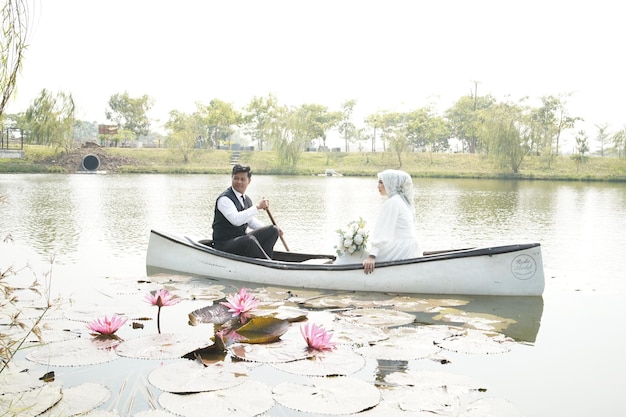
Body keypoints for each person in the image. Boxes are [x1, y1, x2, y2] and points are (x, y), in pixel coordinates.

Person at [211, 164, 280, 259]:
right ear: (232, 178)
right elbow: (236, 220)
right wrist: (257, 207)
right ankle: (269, 265)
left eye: (242, 179)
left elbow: (250, 221)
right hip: (224, 244)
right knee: (249, 240)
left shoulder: (246, 200)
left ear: (249, 181)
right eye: (236, 178)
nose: (239, 182)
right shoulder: (224, 199)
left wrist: (271, 229)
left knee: (273, 230)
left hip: (239, 240)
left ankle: (267, 261)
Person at [362, 169, 422, 274]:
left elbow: (382, 230)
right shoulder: (402, 201)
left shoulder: (392, 202)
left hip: (402, 248)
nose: (378, 186)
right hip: (411, 246)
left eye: (381, 182)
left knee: (362, 255)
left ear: (391, 183)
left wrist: (372, 256)